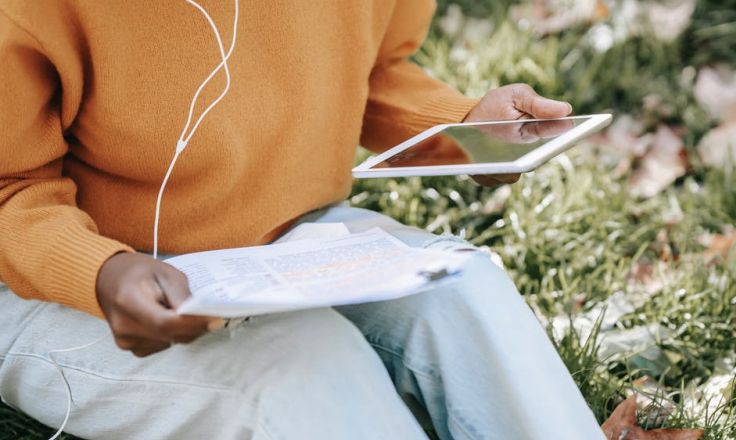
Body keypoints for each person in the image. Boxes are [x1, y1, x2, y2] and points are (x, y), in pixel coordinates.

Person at [0, 1, 606, 438]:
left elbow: (365, 71)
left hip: (279, 240)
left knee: (460, 287)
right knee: (307, 365)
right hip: (60, 282)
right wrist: (101, 273)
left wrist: (464, 129)